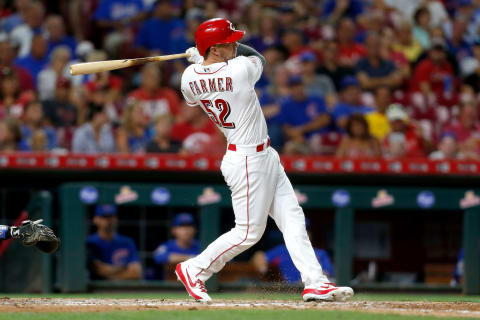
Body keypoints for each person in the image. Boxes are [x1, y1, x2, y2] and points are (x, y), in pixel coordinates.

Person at [176, 18, 353, 302]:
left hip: (263, 155)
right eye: (228, 41)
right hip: (247, 159)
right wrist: (202, 54)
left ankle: (316, 282)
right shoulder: (240, 69)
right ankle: (194, 269)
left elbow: (200, 85)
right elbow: (257, 57)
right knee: (247, 233)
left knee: (293, 218)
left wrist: (201, 57)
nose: (235, 44)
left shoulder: (187, 79)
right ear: (216, 49)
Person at [252, 219, 334, 283]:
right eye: (298, 231)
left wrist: (312, 279)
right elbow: (259, 256)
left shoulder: (320, 253)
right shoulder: (283, 249)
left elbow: (328, 273)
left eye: (305, 231)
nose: (302, 234)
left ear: (310, 233)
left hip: (310, 286)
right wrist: (263, 270)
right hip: (287, 288)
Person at [87, 204, 142, 280]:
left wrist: (110, 275)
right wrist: (124, 267)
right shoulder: (90, 242)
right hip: (97, 289)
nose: (108, 220)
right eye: (104, 216)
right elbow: (98, 269)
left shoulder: (127, 242)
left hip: (123, 289)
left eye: (111, 216)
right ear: (95, 219)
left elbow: (136, 273)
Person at [278, 75, 331, 154]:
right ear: (290, 90)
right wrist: (296, 136)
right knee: (289, 148)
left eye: (299, 86)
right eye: (294, 87)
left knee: (315, 142)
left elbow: (325, 119)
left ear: (304, 87)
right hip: (299, 139)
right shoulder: (286, 105)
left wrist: (302, 129)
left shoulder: (316, 99)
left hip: (319, 137)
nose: (297, 89)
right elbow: (286, 128)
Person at [153, 213, 200, 278]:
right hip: (172, 285)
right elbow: (158, 257)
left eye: (189, 225)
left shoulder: (201, 246)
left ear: (195, 229)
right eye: (181, 226)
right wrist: (189, 258)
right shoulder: (167, 246)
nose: (186, 229)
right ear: (174, 230)